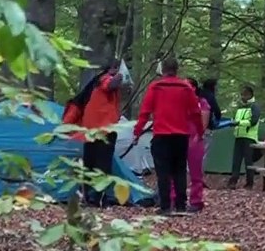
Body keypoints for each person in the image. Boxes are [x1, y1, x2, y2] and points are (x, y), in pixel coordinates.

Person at [134, 58, 202, 215]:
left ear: (162, 70)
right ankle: (180, 205)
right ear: (177, 69)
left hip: (161, 135)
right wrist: (199, 132)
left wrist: (137, 132)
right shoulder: (186, 88)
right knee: (179, 171)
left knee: (163, 172)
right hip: (181, 136)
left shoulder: (156, 87)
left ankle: (165, 206)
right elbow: (195, 113)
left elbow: (144, 112)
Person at [65, 59, 128, 206]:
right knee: (102, 164)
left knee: (90, 164)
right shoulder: (105, 79)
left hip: (91, 130)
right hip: (104, 131)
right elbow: (110, 84)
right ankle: (95, 197)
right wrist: (118, 76)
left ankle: (90, 197)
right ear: (111, 69)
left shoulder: (94, 84)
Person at [175, 79, 212, 212]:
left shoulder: (202, 102)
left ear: (195, 88)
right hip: (180, 138)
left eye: (188, 85)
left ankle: (196, 201)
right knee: (176, 171)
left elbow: (203, 121)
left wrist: (198, 137)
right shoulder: (178, 102)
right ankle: (174, 199)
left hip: (195, 139)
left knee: (195, 173)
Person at [228, 85, 263, 189]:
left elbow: (253, 121)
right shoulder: (240, 108)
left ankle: (249, 183)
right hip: (239, 136)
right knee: (236, 160)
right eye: (241, 94)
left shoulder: (255, 107)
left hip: (249, 137)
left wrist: (238, 122)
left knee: (248, 161)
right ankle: (233, 181)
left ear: (250, 95)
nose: (242, 96)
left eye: (244, 94)